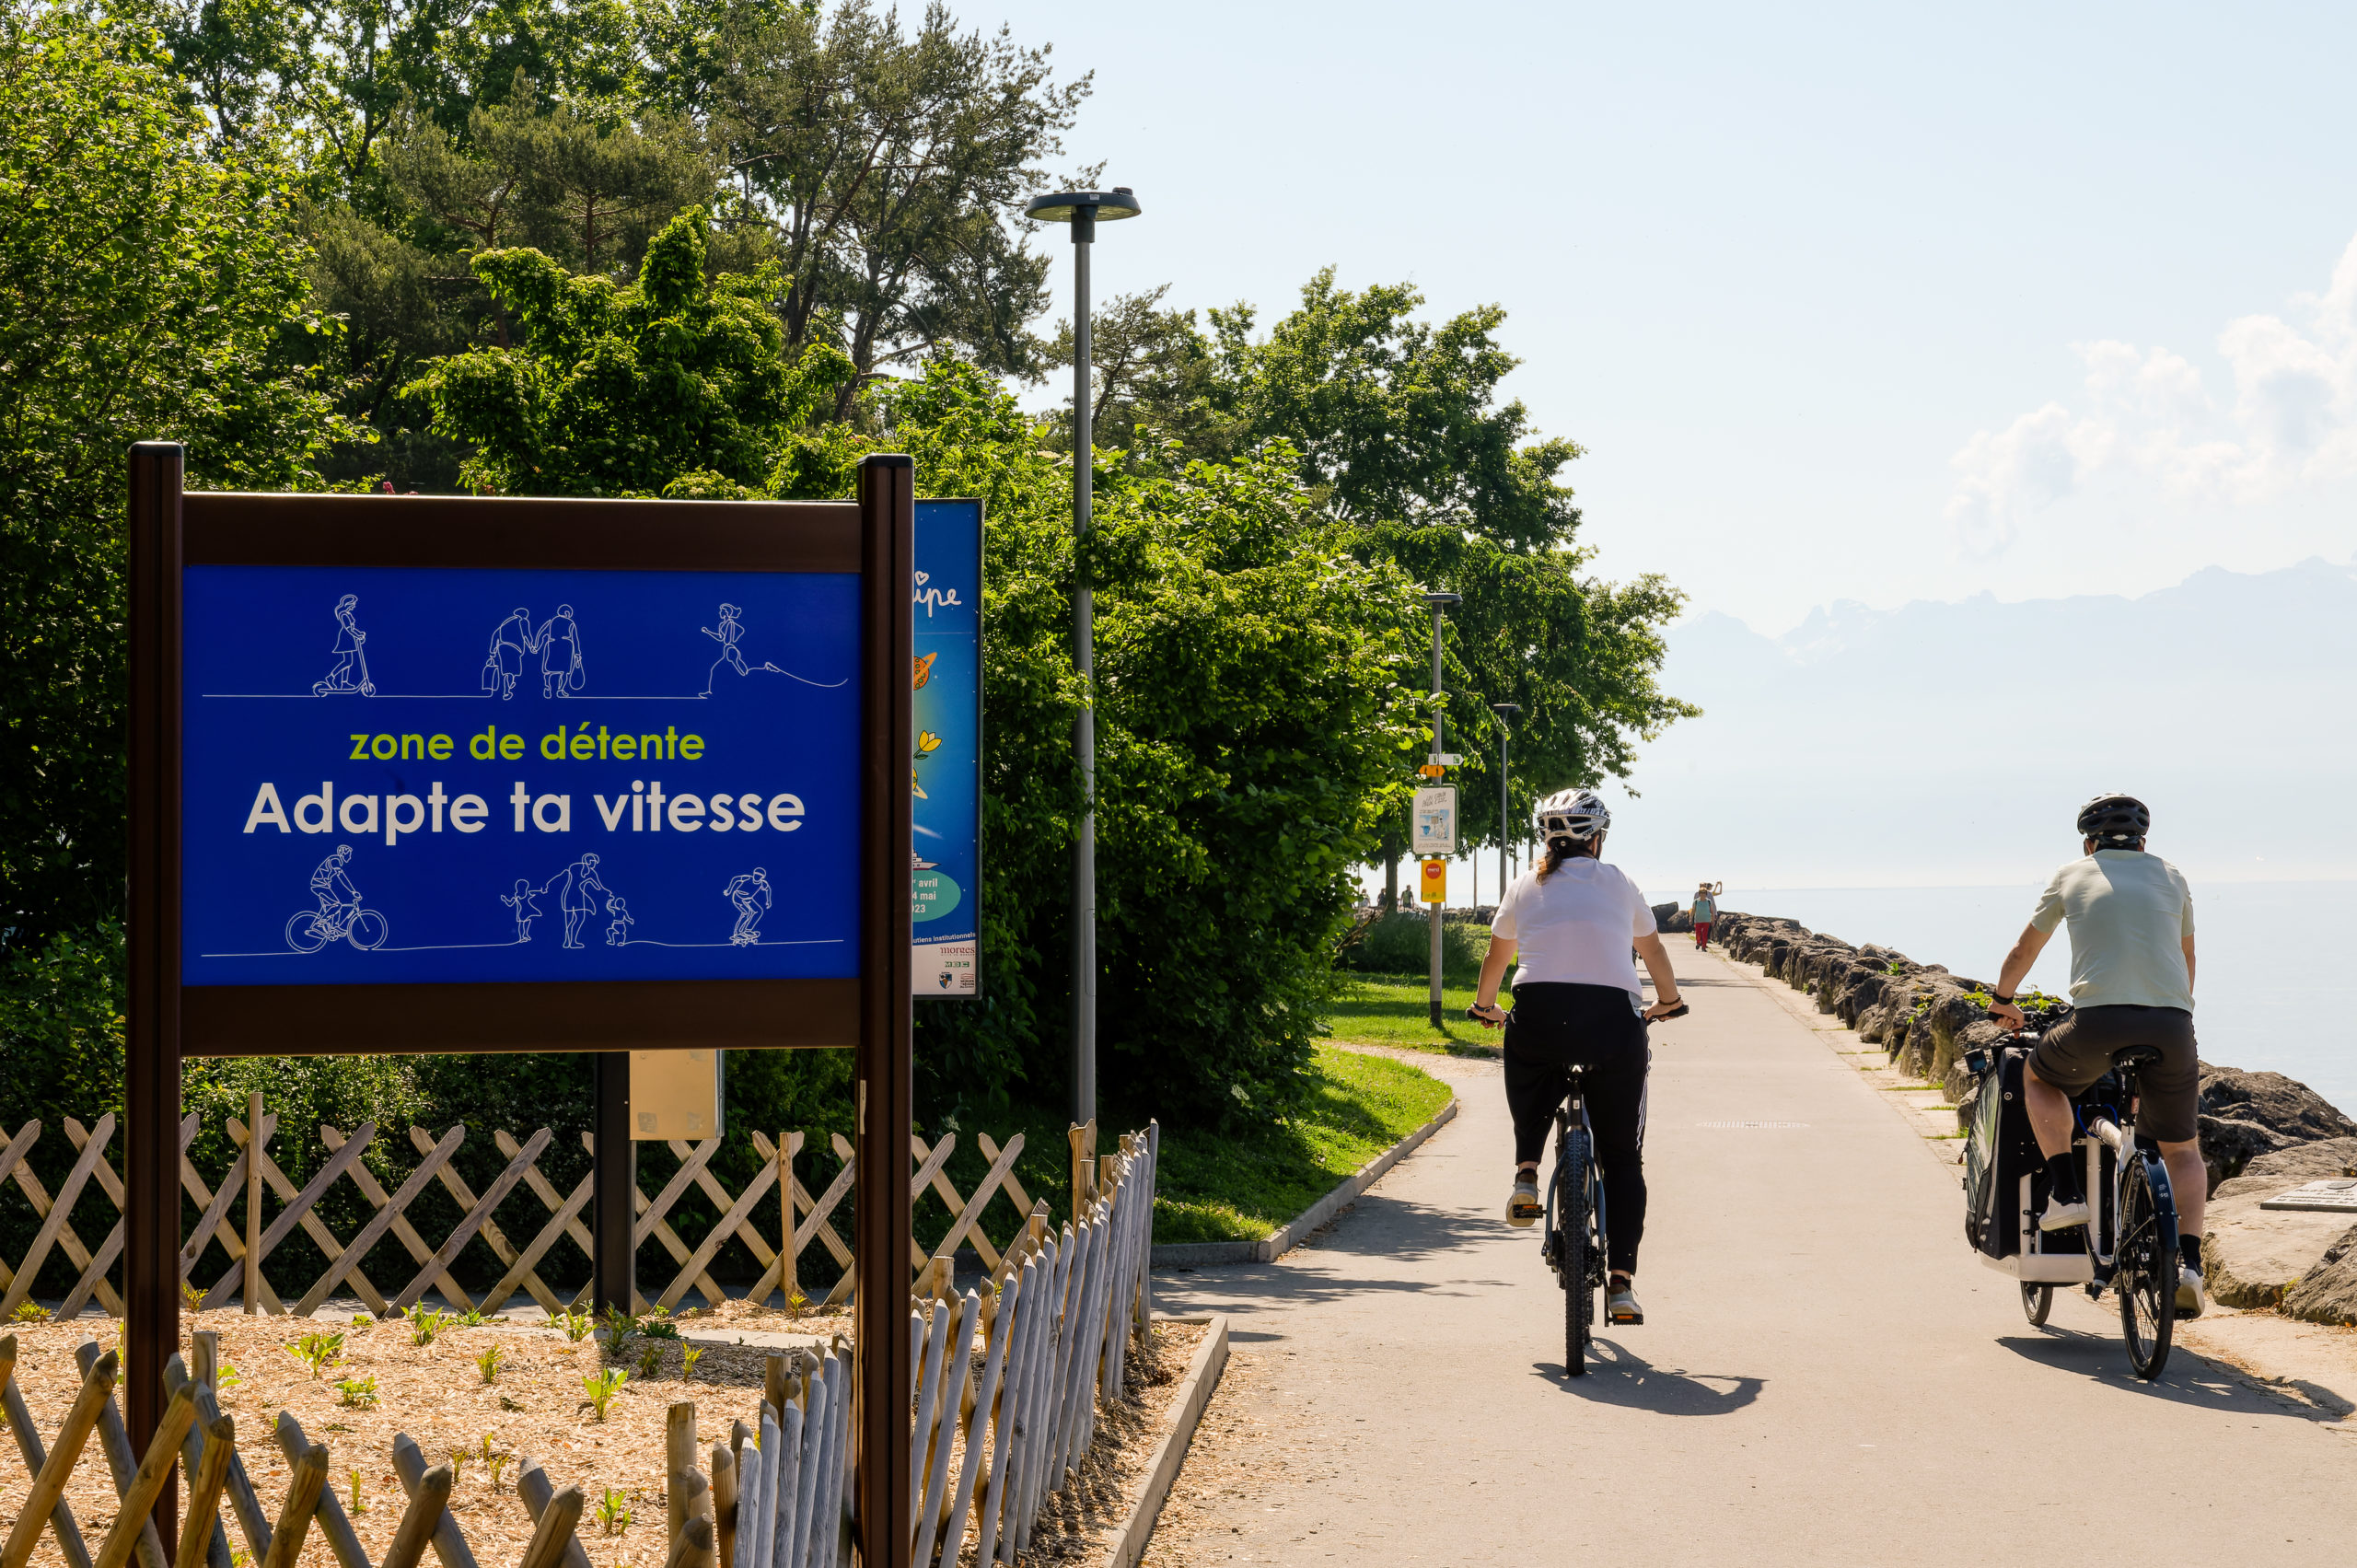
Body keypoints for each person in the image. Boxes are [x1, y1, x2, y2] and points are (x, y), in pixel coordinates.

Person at [1469, 788, 1686, 1328]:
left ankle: (1525, 1175)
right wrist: (1669, 1002)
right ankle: (1621, 1285)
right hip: (1613, 1025)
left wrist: (1485, 1007)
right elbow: (1653, 950)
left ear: (1548, 838)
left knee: (1528, 1073)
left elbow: (1499, 956)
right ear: (1597, 838)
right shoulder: (1619, 883)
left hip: (1540, 1017)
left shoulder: (1525, 885)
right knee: (1622, 1158)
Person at [1987, 794, 2206, 1317]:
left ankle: (2066, 1194)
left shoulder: (2072, 873)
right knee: (2182, 1150)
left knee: (2040, 1078)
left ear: (2089, 843)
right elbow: (2187, 958)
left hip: (2097, 1022)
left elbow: (2025, 951)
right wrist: (2174, 1015)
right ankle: (2192, 1269)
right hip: (2172, 1025)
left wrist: (2003, 1002)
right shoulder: (2172, 876)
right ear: (2144, 843)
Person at [308, 845, 361, 933]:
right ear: (343, 854)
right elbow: (341, 877)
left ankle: (334, 928)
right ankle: (319, 924)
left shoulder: (337, 861)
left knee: (334, 907)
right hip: (319, 885)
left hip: (323, 885)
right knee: (337, 905)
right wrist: (353, 891)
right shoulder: (335, 860)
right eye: (349, 854)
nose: (350, 857)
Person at [1690, 881, 1722, 950]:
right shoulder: (1696, 895)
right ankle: (1699, 942)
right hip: (1698, 918)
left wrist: (1714, 915)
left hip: (1707, 918)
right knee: (1698, 933)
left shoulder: (1709, 895)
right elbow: (1694, 907)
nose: (1702, 887)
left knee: (1705, 933)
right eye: (1700, 885)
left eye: (1703, 885)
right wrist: (1691, 917)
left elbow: (1713, 905)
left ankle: (1704, 946)